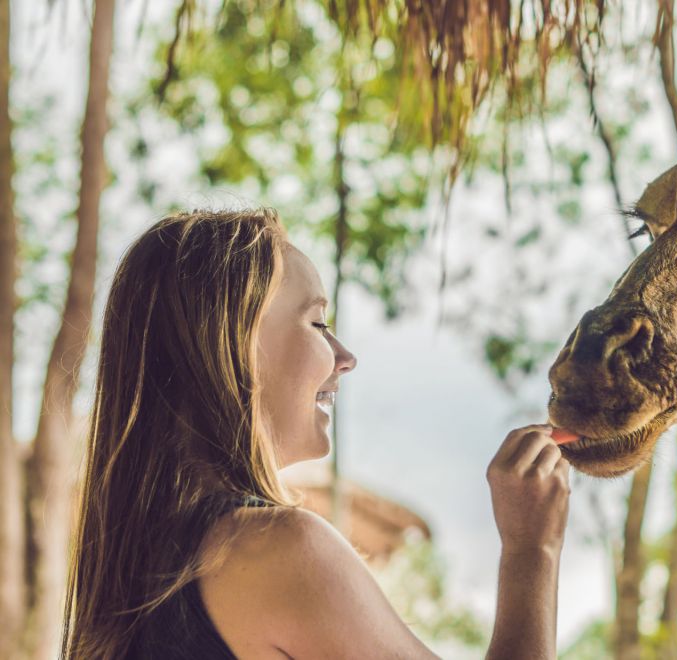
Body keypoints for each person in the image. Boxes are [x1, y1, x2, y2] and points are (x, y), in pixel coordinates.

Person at [61, 209, 571, 659]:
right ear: (231, 342)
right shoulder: (276, 550)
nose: (346, 357)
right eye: (317, 323)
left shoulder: (137, 571)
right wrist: (532, 550)